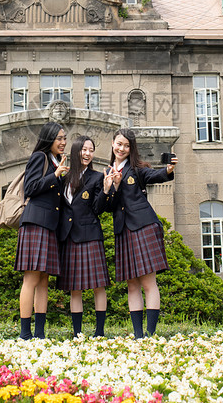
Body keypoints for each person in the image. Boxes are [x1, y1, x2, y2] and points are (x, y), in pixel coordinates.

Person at [107, 128, 177, 338]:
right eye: (119, 144)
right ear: (113, 144)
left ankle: (151, 333)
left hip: (144, 227)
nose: (122, 148)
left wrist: (169, 169)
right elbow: (108, 204)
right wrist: (112, 187)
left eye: (126, 146)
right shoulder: (108, 173)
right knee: (132, 284)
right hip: (123, 230)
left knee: (148, 282)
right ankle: (138, 335)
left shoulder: (137, 169)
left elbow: (156, 174)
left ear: (131, 149)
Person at [56, 136, 114, 337]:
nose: (88, 154)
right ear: (76, 151)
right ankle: (77, 333)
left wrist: (106, 190)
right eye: (84, 149)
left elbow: (98, 208)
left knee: (98, 285)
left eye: (91, 150)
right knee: (75, 288)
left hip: (90, 235)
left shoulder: (97, 177)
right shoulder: (64, 177)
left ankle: (99, 332)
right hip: (70, 237)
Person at [15, 122, 68, 340]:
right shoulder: (40, 157)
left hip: (50, 226)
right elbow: (31, 188)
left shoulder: (58, 162)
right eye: (59, 139)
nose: (63, 142)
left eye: (64, 138)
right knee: (31, 278)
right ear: (49, 139)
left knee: (44, 280)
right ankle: (25, 333)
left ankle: (40, 333)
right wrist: (55, 175)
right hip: (35, 222)